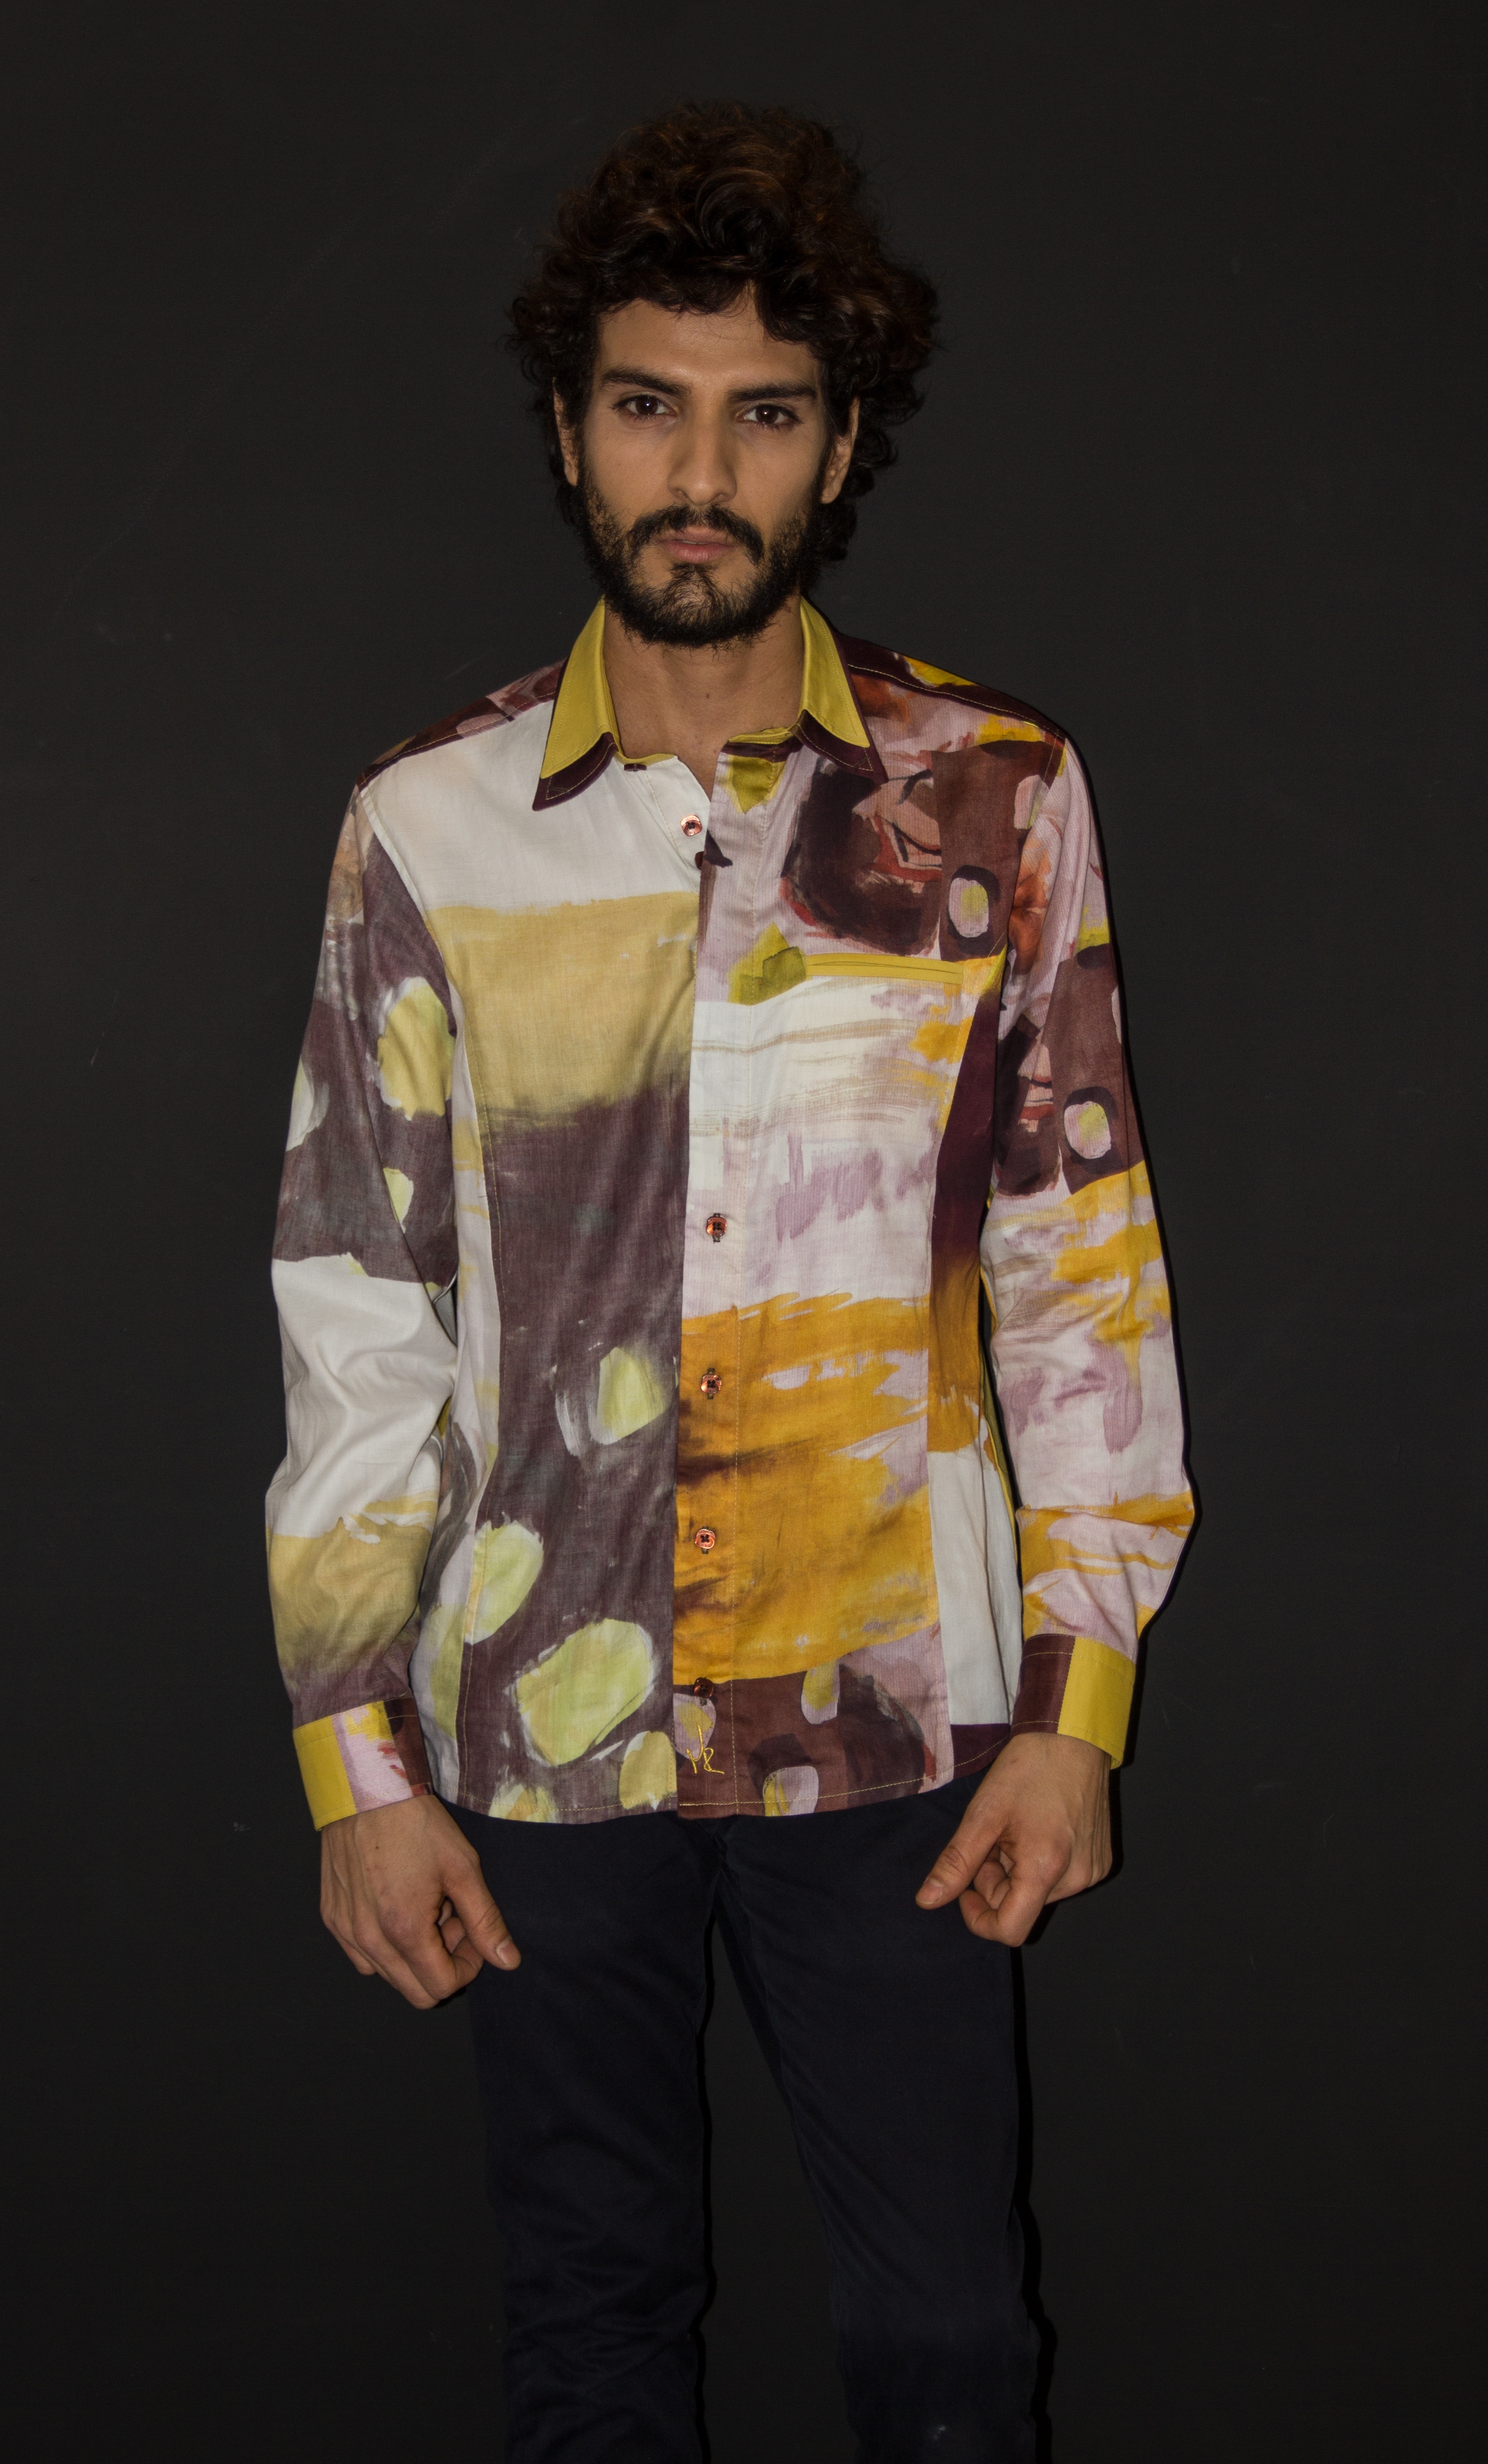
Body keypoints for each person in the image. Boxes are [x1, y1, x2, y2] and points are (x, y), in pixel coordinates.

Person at [265, 100, 1191, 2463]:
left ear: (840, 444)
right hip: (532, 1729)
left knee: (952, 2344)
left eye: (764, 413)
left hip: (895, 1719)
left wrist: (1078, 1710)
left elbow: (1080, 1272)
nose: (702, 473)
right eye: (648, 406)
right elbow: (358, 1308)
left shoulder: (994, 799)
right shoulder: (425, 830)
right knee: (590, 2336)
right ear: (571, 434)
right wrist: (355, 1757)